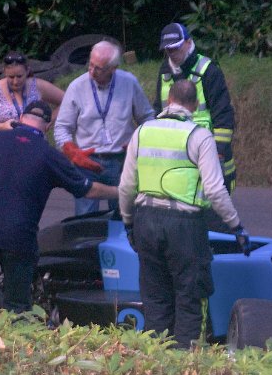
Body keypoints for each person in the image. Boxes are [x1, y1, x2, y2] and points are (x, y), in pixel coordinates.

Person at [119, 80, 249, 349]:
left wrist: (129, 223)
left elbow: (126, 186)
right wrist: (235, 225)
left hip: (146, 220)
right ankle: (185, 366)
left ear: (168, 101)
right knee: (190, 297)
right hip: (185, 227)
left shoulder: (142, 132)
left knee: (155, 299)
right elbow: (214, 190)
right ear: (194, 105)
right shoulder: (199, 136)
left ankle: (157, 366)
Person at [0, 100, 118, 312]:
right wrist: (121, 192)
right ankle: (13, 342)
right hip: (18, 237)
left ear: (21, 118)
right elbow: (89, 190)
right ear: (48, 127)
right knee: (17, 307)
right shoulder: (49, 155)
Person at [54, 40, 154, 215]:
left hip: (121, 160)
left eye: (98, 68)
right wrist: (72, 152)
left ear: (113, 68)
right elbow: (62, 127)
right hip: (87, 161)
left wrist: (139, 143)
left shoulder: (129, 83)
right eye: (90, 65)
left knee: (124, 217)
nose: (92, 71)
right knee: (85, 220)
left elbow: (147, 118)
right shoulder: (77, 86)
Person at [154, 22, 237, 192]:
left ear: (188, 42)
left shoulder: (209, 70)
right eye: (168, 50)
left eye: (176, 48)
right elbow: (157, 112)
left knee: (214, 210)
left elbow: (223, 115)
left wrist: (218, 153)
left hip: (207, 153)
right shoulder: (164, 72)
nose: (172, 53)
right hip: (175, 158)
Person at [0, 51, 64, 135]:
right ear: (4, 72)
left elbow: (67, 99)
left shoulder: (37, 85)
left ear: (27, 71)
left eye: (19, 76)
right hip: (6, 144)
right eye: (11, 77)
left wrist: (49, 120)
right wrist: (1, 127)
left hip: (34, 142)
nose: (15, 81)